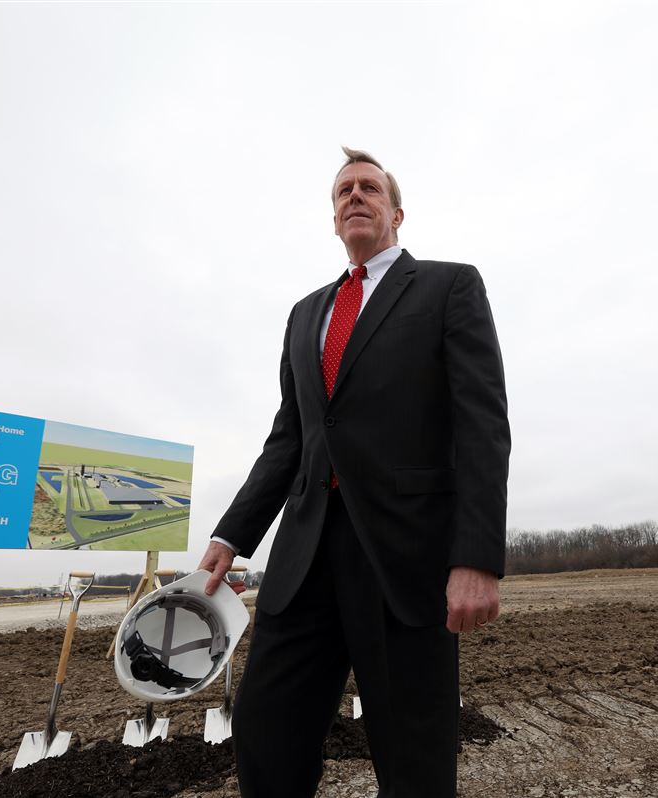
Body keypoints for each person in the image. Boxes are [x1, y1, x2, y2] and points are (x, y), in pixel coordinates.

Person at [197, 147, 510, 797]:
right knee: (265, 735)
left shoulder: (449, 287)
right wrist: (231, 535)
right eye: (344, 191)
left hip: (405, 559)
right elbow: (290, 438)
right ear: (334, 219)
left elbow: (482, 427)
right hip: (303, 559)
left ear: (396, 213)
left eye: (369, 187)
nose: (355, 196)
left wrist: (476, 556)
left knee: (414, 759)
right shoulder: (305, 313)